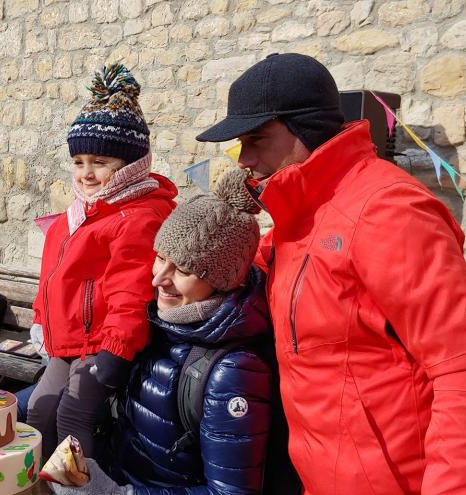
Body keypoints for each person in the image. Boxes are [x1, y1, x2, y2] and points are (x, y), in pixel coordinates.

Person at [195, 53, 466, 494]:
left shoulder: (390, 211)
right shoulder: (297, 216)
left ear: (304, 128)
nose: (243, 159)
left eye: (256, 140)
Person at [51, 169, 299, 495]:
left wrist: (117, 494)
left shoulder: (232, 370)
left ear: (223, 281)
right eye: (160, 258)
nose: (158, 279)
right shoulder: (158, 324)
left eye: (182, 269)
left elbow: (231, 492)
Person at [27, 63, 177, 459]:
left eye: (100, 163)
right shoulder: (74, 216)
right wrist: (41, 318)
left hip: (101, 343)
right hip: (65, 342)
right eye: (79, 162)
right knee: (38, 411)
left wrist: (115, 348)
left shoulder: (137, 216)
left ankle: (78, 486)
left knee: (72, 415)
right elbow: (50, 279)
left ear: (129, 166)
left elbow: (132, 289)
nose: (86, 173)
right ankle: (42, 485)